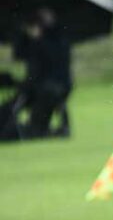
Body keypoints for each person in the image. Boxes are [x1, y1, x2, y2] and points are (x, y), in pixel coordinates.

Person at [11, 8, 72, 138]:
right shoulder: (33, 38)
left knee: (47, 97)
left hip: (56, 84)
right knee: (17, 101)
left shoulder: (59, 37)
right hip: (35, 84)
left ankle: (39, 129)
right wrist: (24, 34)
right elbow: (19, 54)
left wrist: (39, 40)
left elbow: (55, 58)